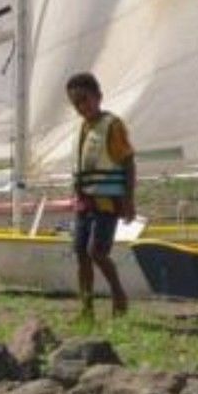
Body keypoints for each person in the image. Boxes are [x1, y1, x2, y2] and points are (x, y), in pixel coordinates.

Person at [68, 72, 133, 319]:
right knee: (81, 255)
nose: (81, 107)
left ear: (98, 97)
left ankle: (119, 296)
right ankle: (86, 309)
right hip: (85, 202)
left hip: (107, 202)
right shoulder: (84, 128)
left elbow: (128, 162)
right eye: (75, 103)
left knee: (97, 252)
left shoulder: (112, 126)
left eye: (84, 100)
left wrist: (128, 200)